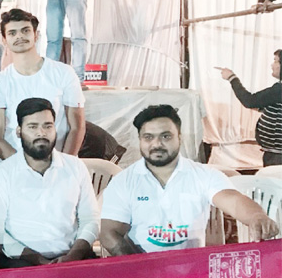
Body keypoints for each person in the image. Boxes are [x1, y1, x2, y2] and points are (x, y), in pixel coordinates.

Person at [100, 105, 279, 255]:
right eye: (148, 137)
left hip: (193, 268)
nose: (157, 144)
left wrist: (256, 216)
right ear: (140, 140)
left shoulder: (204, 175)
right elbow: (109, 233)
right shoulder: (123, 181)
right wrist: (140, 267)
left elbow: (233, 200)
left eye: (165, 136)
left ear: (179, 137)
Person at [0, 98, 99, 269]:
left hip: (72, 257)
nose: (41, 133)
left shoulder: (75, 166)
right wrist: (38, 261)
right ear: (19, 131)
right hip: (21, 261)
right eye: (32, 127)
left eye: (48, 126)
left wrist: (73, 256)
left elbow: (90, 219)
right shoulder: (1, 174)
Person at [0, 9, 86, 160]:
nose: (19, 36)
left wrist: (63, 165)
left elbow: (77, 127)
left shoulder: (64, 73)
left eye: (25, 30)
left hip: (60, 163)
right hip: (15, 166)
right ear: (4, 40)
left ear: (36, 35)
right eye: (12, 33)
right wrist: (21, 167)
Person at [218, 49, 282, 166]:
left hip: (277, 157)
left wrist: (232, 78)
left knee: (273, 178)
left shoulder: (279, 89)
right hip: (275, 154)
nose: (272, 65)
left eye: (275, 61)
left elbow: (249, 101)